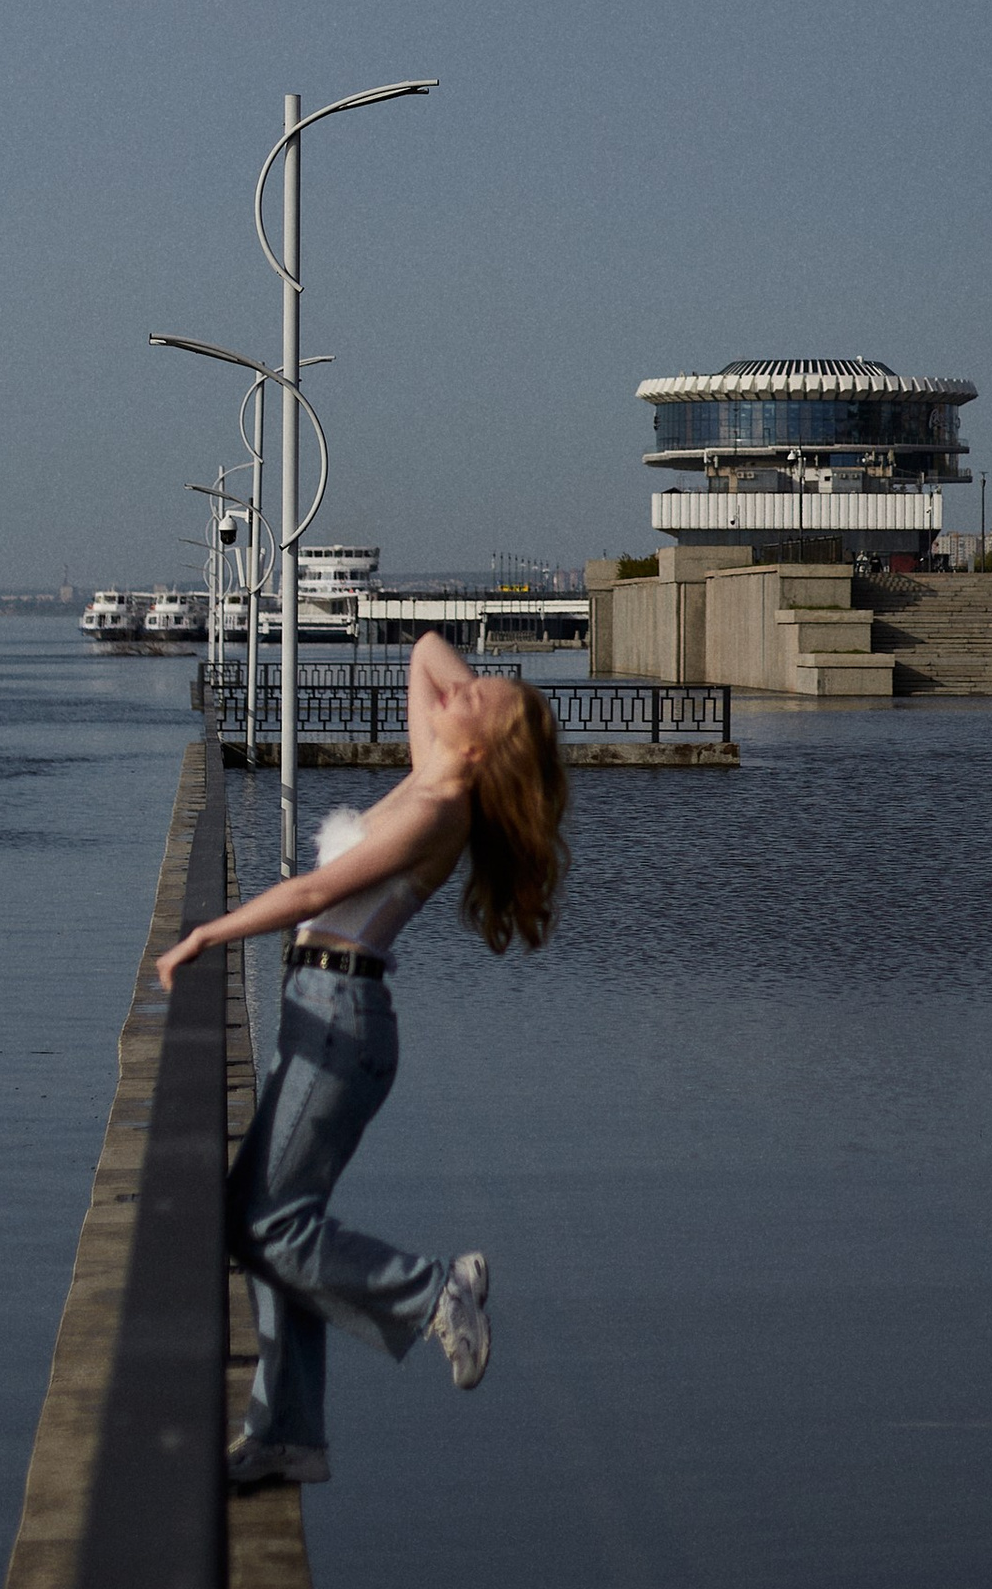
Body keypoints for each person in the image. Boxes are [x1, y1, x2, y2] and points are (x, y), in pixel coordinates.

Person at [154, 629, 570, 1488]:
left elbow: (312, 894)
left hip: (340, 1020)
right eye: (469, 685)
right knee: (274, 1224)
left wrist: (205, 934)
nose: (455, 691)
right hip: (325, 1011)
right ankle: (288, 1435)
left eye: (471, 699)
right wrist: (493, 699)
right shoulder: (434, 767)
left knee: (260, 1225)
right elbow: (423, 650)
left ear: (481, 746)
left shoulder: (438, 809)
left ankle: (432, 1294)